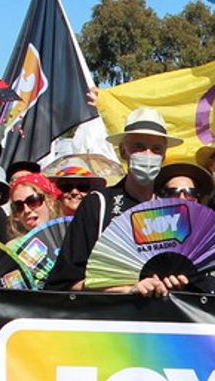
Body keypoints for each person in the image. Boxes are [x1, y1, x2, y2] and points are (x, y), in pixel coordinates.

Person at [46, 108, 179, 292]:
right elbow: (64, 283)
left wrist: (178, 283)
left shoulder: (174, 212)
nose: (148, 155)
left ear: (164, 155)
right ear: (123, 151)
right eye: (139, 147)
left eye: (156, 149)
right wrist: (125, 289)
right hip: (110, 317)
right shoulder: (98, 205)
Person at [44, 155, 113, 218]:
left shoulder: (100, 222)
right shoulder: (44, 221)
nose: (74, 192)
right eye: (66, 186)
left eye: (82, 186)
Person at [2, 172, 63, 241]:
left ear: (50, 201)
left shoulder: (71, 236)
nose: (26, 210)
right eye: (18, 206)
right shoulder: (15, 248)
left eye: (33, 201)